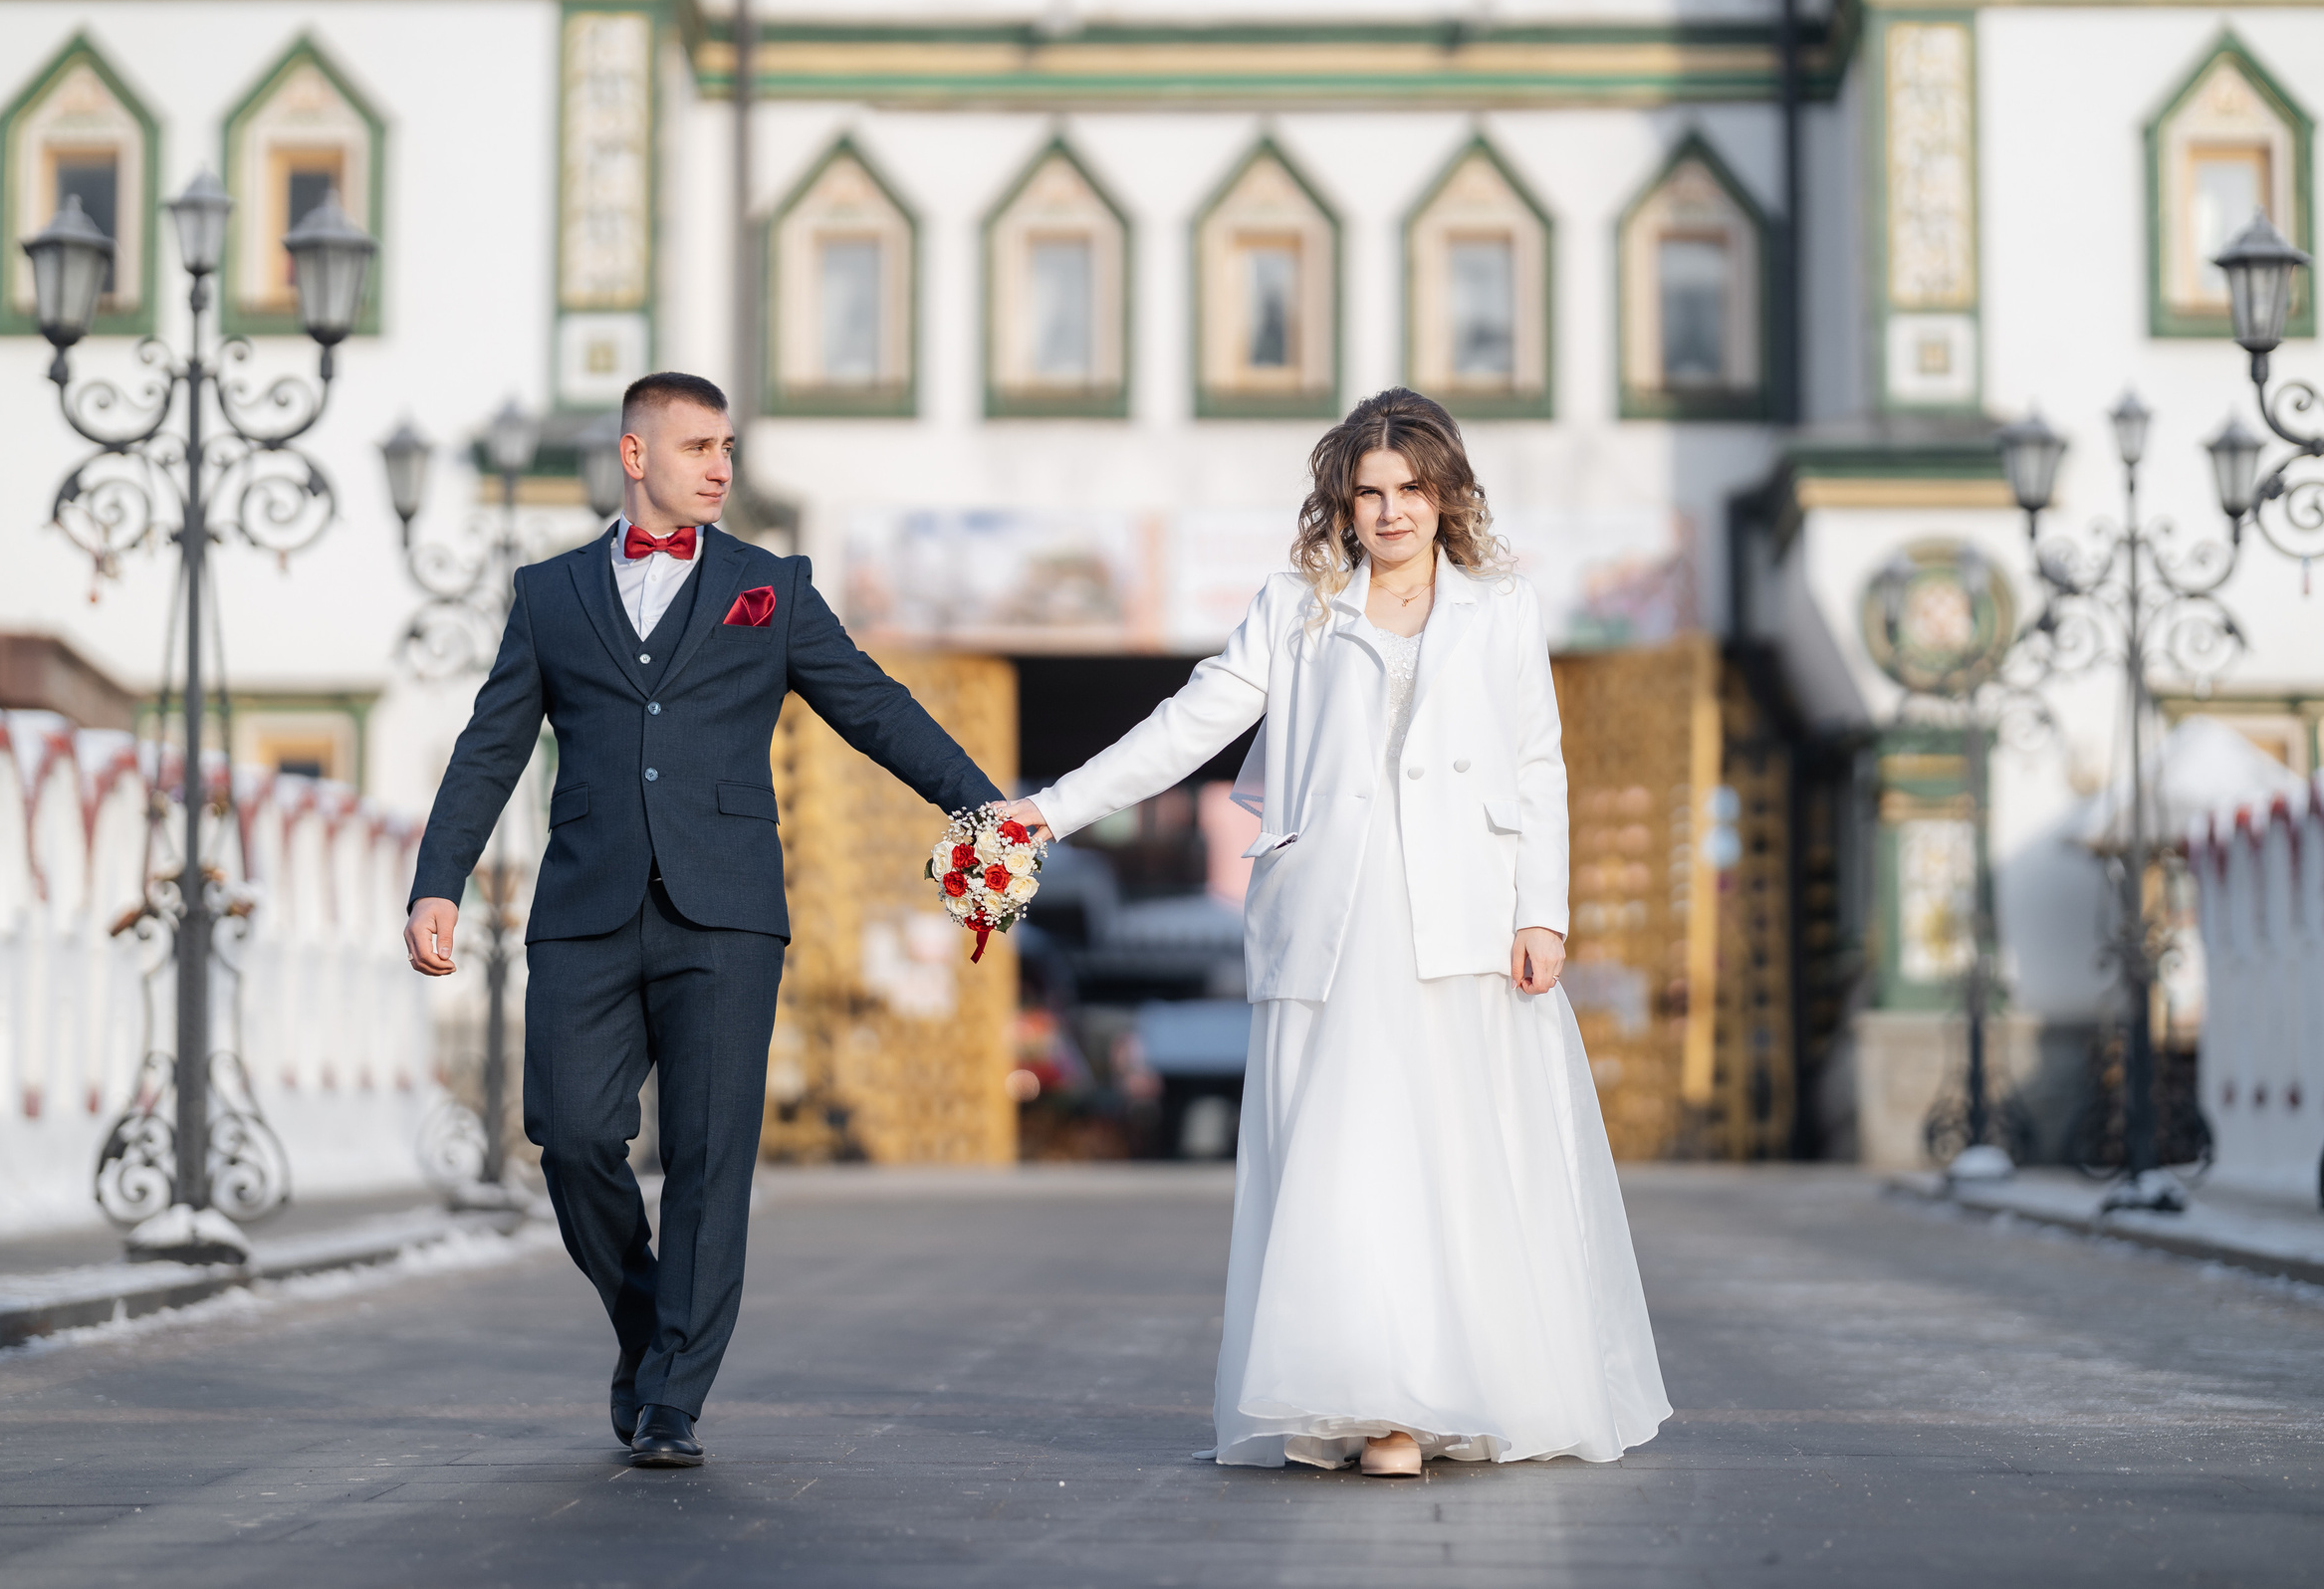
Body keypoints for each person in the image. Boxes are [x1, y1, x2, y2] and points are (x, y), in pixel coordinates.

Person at [1004, 387, 1670, 1475]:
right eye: (1369, 492)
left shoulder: (1501, 608)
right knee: (1351, 1158)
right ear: (1341, 504)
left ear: (1447, 494)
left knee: (1459, 1156)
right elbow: (1187, 727)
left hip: (1464, 920)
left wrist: (1542, 910)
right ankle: (1379, 1407)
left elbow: (1536, 763)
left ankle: (1460, 1389)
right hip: (1335, 920)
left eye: (1411, 488)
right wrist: (1047, 812)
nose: (1391, 510)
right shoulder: (1297, 607)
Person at [402, 371, 1002, 1470]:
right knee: (570, 1134)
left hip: (726, 912)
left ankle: (672, 1396)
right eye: (697, 447)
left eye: (727, 447)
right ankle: (647, 1321)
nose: (721, 467)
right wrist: (438, 878)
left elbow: (870, 705)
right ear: (635, 457)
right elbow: (490, 746)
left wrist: (984, 805)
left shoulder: (769, 587)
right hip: (585, 906)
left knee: (710, 1155)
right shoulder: (548, 594)